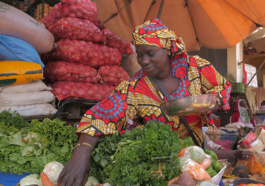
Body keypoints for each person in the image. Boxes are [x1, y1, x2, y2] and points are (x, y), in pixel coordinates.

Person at [58, 19, 252, 186]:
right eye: (140, 54)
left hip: (197, 160)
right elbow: (102, 115)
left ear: (167, 50)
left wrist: (208, 101)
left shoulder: (196, 68)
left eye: (150, 53)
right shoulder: (134, 88)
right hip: (161, 166)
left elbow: (222, 87)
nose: (143, 61)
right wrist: (82, 151)